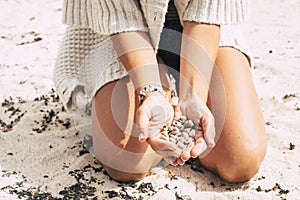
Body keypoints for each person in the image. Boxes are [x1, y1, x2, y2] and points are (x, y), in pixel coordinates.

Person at [54, 0, 267, 183]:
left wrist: (193, 96)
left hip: (203, 27)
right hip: (115, 29)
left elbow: (207, 9)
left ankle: (175, 81)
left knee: (239, 158)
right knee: (126, 161)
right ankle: (159, 72)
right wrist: (152, 91)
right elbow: (119, 14)